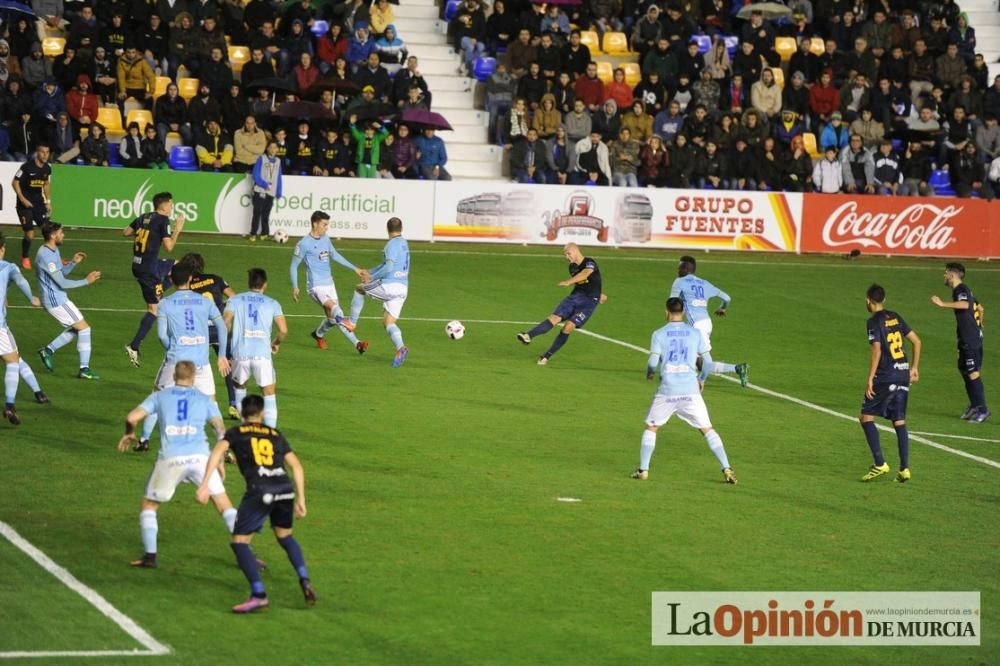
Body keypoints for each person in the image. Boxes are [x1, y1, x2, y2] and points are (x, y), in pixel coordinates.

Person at [195, 394, 314, 613]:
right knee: (285, 536)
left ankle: (259, 594)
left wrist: (204, 484)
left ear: (241, 413)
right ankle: (305, 579)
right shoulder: (275, 434)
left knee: (240, 543)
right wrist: (301, 499)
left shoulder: (236, 433)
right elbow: (297, 467)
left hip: (260, 490)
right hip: (284, 488)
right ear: (263, 413)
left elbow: (217, 453)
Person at [117, 360, 237, 569]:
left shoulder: (160, 396)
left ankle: (150, 556)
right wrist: (219, 459)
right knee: (224, 505)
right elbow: (220, 430)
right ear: (193, 378)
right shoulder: (204, 399)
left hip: (170, 458)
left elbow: (132, 417)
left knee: (149, 505)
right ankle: (247, 552)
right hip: (201, 457)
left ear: (174, 377)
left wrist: (129, 433)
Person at [631, 297, 737, 484]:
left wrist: (649, 373)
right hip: (690, 391)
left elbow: (653, 362)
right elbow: (708, 363)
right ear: (684, 312)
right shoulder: (695, 333)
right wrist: (701, 379)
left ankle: (643, 470)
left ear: (666, 312)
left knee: (652, 427)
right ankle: (726, 468)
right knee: (707, 429)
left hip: (667, 391)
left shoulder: (659, 334)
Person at [136, 261, 230, 452]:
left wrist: (172, 348)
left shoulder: (165, 304)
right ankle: (223, 445)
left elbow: (162, 335)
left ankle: (144, 440)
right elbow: (221, 327)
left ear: (171, 279)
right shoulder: (206, 302)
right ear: (190, 279)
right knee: (212, 404)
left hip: (175, 362)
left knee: (158, 397)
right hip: (201, 364)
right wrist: (221, 355)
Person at [859, 284, 921, 483]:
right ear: (884, 300)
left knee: (866, 417)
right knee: (899, 420)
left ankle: (879, 464)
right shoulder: (895, 316)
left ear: (869, 300)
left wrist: (870, 377)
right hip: (903, 374)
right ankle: (904, 469)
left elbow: (876, 350)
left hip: (886, 376)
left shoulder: (873, 322)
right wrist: (914, 368)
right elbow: (917, 341)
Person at [290, 211, 369, 353]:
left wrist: (355, 269)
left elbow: (334, 254)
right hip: (316, 287)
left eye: (327, 225)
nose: (326, 228)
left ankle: (318, 335)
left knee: (333, 319)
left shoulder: (325, 238)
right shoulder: (303, 244)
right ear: (315, 224)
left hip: (329, 284)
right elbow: (293, 266)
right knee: (337, 311)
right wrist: (295, 287)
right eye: (324, 225)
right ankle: (357, 341)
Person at [517, 243, 607, 365]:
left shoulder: (589, 262)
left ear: (576, 251)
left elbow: (585, 274)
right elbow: (588, 283)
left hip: (589, 302)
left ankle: (546, 356)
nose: (566, 257)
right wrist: (599, 292)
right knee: (555, 317)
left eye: (568, 253)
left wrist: (569, 282)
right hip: (575, 297)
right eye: (565, 254)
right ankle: (528, 336)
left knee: (568, 326)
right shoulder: (572, 267)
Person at [123, 192, 183, 368]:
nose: (172, 207)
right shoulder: (163, 220)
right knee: (154, 309)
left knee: (178, 266)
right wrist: (178, 228)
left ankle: (159, 292)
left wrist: (142, 234)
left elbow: (125, 232)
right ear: (163, 206)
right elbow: (169, 247)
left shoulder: (143, 217)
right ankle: (133, 346)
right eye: (171, 204)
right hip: (148, 270)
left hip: (141, 264)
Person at [34, 222, 101, 380]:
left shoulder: (53, 250)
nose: (63, 234)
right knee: (84, 329)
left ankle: (48, 350)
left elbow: (60, 275)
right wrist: (86, 281)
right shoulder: (45, 256)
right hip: (55, 300)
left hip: (58, 297)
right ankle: (84, 369)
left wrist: (73, 263)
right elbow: (62, 283)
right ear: (53, 236)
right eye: (61, 232)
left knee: (78, 328)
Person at [668, 256, 749, 386]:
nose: (678, 269)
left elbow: (672, 302)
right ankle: (737, 368)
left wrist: (673, 319)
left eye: (681, 266)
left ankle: (698, 381)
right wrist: (722, 308)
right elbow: (727, 298)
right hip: (706, 323)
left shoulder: (679, 281)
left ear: (687, 268)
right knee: (698, 361)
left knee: (697, 357)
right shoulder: (704, 283)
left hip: (696, 326)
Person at [225, 268, 287, 426]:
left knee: (240, 388)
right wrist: (276, 343)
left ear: (249, 283)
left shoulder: (235, 300)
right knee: (268, 393)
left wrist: (232, 337)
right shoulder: (272, 303)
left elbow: (225, 322)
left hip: (240, 353)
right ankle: (271, 433)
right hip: (262, 355)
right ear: (265, 284)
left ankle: (244, 430)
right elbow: (283, 330)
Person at [182, 253, 239, 420]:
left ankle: (191, 404)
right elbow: (234, 297)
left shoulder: (187, 285)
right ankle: (233, 404)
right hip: (219, 329)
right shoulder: (215, 279)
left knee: (192, 368)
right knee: (228, 365)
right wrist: (225, 313)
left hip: (199, 333)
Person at [931, 263, 989, 423]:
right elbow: (980, 308)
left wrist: (943, 304)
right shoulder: (964, 290)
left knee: (972, 372)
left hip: (970, 338)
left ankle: (983, 409)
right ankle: (975, 405)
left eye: (945, 273)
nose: (944, 276)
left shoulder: (960, 289)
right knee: (964, 369)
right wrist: (979, 325)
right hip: (967, 336)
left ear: (952, 275)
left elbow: (965, 305)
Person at [348, 217, 409, 368]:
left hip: (390, 286)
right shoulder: (404, 243)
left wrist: (371, 278)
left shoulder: (390, 245)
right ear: (401, 228)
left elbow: (388, 268)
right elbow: (385, 264)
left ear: (387, 229)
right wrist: (370, 271)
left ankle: (351, 323)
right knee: (388, 322)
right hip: (402, 289)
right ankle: (401, 348)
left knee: (359, 288)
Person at [0, 232, 47, 426]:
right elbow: (20, 280)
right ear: (2, 248)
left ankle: (38, 392)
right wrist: (32, 299)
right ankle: (10, 405)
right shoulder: (8, 267)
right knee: (12, 361)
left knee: (15, 356)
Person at [12, 144, 52, 270]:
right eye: (42, 152)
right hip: (24, 205)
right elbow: (15, 182)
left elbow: (45, 184)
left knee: (49, 231)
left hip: (39, 204)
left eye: (47, 152)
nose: (45, 155)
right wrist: (22, 199)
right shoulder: (27, 167)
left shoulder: (47, 168)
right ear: (37, 153)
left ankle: (52, 258)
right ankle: (25, 257)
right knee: (30, 235)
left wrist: (48, 201)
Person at [250, 141, 283, 241]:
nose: (273, 149)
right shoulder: (261, 158)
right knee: (257, 212)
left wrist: (278, 191)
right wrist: (264, 184)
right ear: (267, 148)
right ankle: (253, 233)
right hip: (260, 189)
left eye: (275, 147)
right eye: (271, 147)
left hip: (271, 191)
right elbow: (255, 174)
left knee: (266, 213)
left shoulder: (278, 161)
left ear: (277, 149)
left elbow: (279, 177)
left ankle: (265, 233)